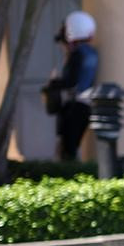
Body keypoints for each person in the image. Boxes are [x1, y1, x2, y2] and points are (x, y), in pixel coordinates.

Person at [47, 11, 98, 161]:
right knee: (70, 147)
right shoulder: (89, 52)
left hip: (76, 106)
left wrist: (54, 83)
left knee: (68, 149)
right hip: (84, 105)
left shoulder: (78, 54)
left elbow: (71, 81)